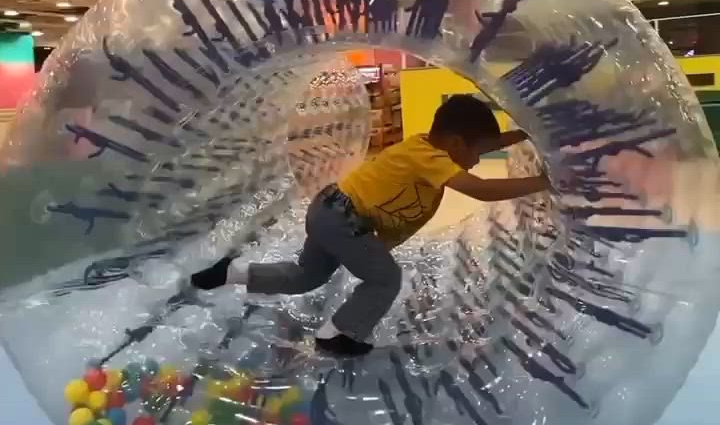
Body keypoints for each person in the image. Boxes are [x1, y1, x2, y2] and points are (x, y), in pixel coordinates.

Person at [191, 94, 549, 357]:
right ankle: (337, 335)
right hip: (344, 220)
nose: (476, 161)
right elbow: (482, 190)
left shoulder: (423, 144)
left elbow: (486, 143)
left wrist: (523, 133)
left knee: (307, 276)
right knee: (386, 278)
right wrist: (544, 182)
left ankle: (230, 273)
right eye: (478, 153)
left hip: (327, 208)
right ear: (456, 143)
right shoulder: (433, 158)